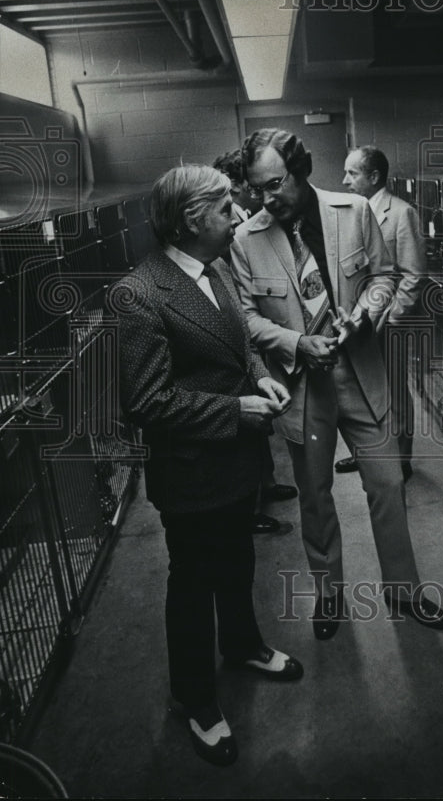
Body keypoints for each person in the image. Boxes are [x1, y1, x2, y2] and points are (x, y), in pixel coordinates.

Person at [111, 164, 303, 768]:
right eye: (226, 209)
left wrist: (263, 377)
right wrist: (234, 408)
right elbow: (146, 402)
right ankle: (194, 697)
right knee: (192, 583)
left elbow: (238, 343)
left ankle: (243, 644)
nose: (239, 216)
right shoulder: (140, 294)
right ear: (193, 220)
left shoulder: (214, 268)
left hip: (237, 461)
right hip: (193, 470)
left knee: (238, 558)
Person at [231, 129, 443, 640]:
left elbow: (384, 277)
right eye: (258, 189)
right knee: (315, 497)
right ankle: (329, 595)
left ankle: (403, 589)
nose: (267, 198)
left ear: (301, 169)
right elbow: (244, 318)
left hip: (360, 374)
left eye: (275, 184)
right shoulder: (248, 240)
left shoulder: (352, 212)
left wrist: (365, 315)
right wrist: (293, 341)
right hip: (304, 386)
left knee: (388, 485)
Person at [213, 149, 298, 534]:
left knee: (259, 418)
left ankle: (265, 484)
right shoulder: (234, 223)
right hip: (239, 326)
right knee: (247, 420)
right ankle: (250, 505)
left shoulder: (247, 217)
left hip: (253, 328)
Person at [337, 145, 426, 481]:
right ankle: (367, 455)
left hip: (389, 324)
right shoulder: (351, 212)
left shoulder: (402, 213)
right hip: (358, 322)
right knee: (360, 391)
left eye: (352, 173)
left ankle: (401, 460)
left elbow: (413, 275)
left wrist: (391, 320)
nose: (344, 180)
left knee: (393, 391)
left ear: (374, 176)